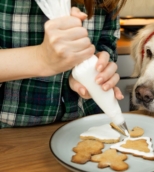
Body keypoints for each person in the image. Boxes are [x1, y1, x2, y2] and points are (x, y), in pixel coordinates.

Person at [0, 0, 127, 128]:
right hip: (11, 132)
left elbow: (106, 43)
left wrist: (92, 70)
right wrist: (41, 58)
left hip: (88, 123)